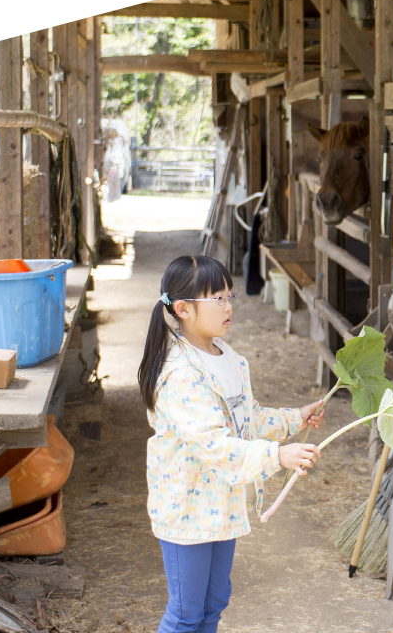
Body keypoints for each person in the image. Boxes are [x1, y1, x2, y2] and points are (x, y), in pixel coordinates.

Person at [138, 256, 325, 633]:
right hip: (187, 508)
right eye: (218, 299)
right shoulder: (180, 373)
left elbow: (247, 418)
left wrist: (295, 418)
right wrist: (277, 455)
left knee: (213, 604)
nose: (228, 306)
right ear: (184, 309)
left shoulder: (229, 358)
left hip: (221, 503)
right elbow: (214, 445)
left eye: (230, 296)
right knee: (186, 612)